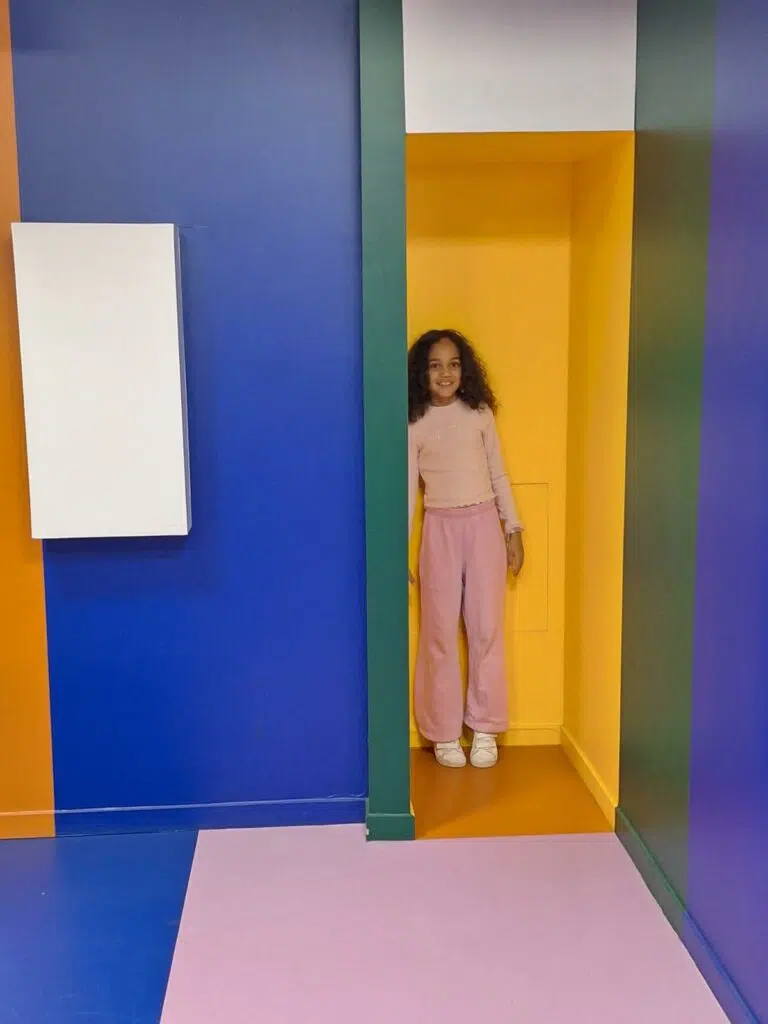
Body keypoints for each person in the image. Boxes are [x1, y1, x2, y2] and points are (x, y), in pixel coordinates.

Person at [408, 329, 524, 769]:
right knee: (438, 632)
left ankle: (485, 726)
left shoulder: (478, 415)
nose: (445, 373)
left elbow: (498, 474)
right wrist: (398, 549)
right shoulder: (414, 424)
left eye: (453, 364)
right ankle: (442, 731)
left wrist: (513, 528)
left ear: (464, 370)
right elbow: (407, 491)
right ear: (422, 373)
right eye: (435, 365)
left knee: (485, 627)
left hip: (483, 525)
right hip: (439, 528)